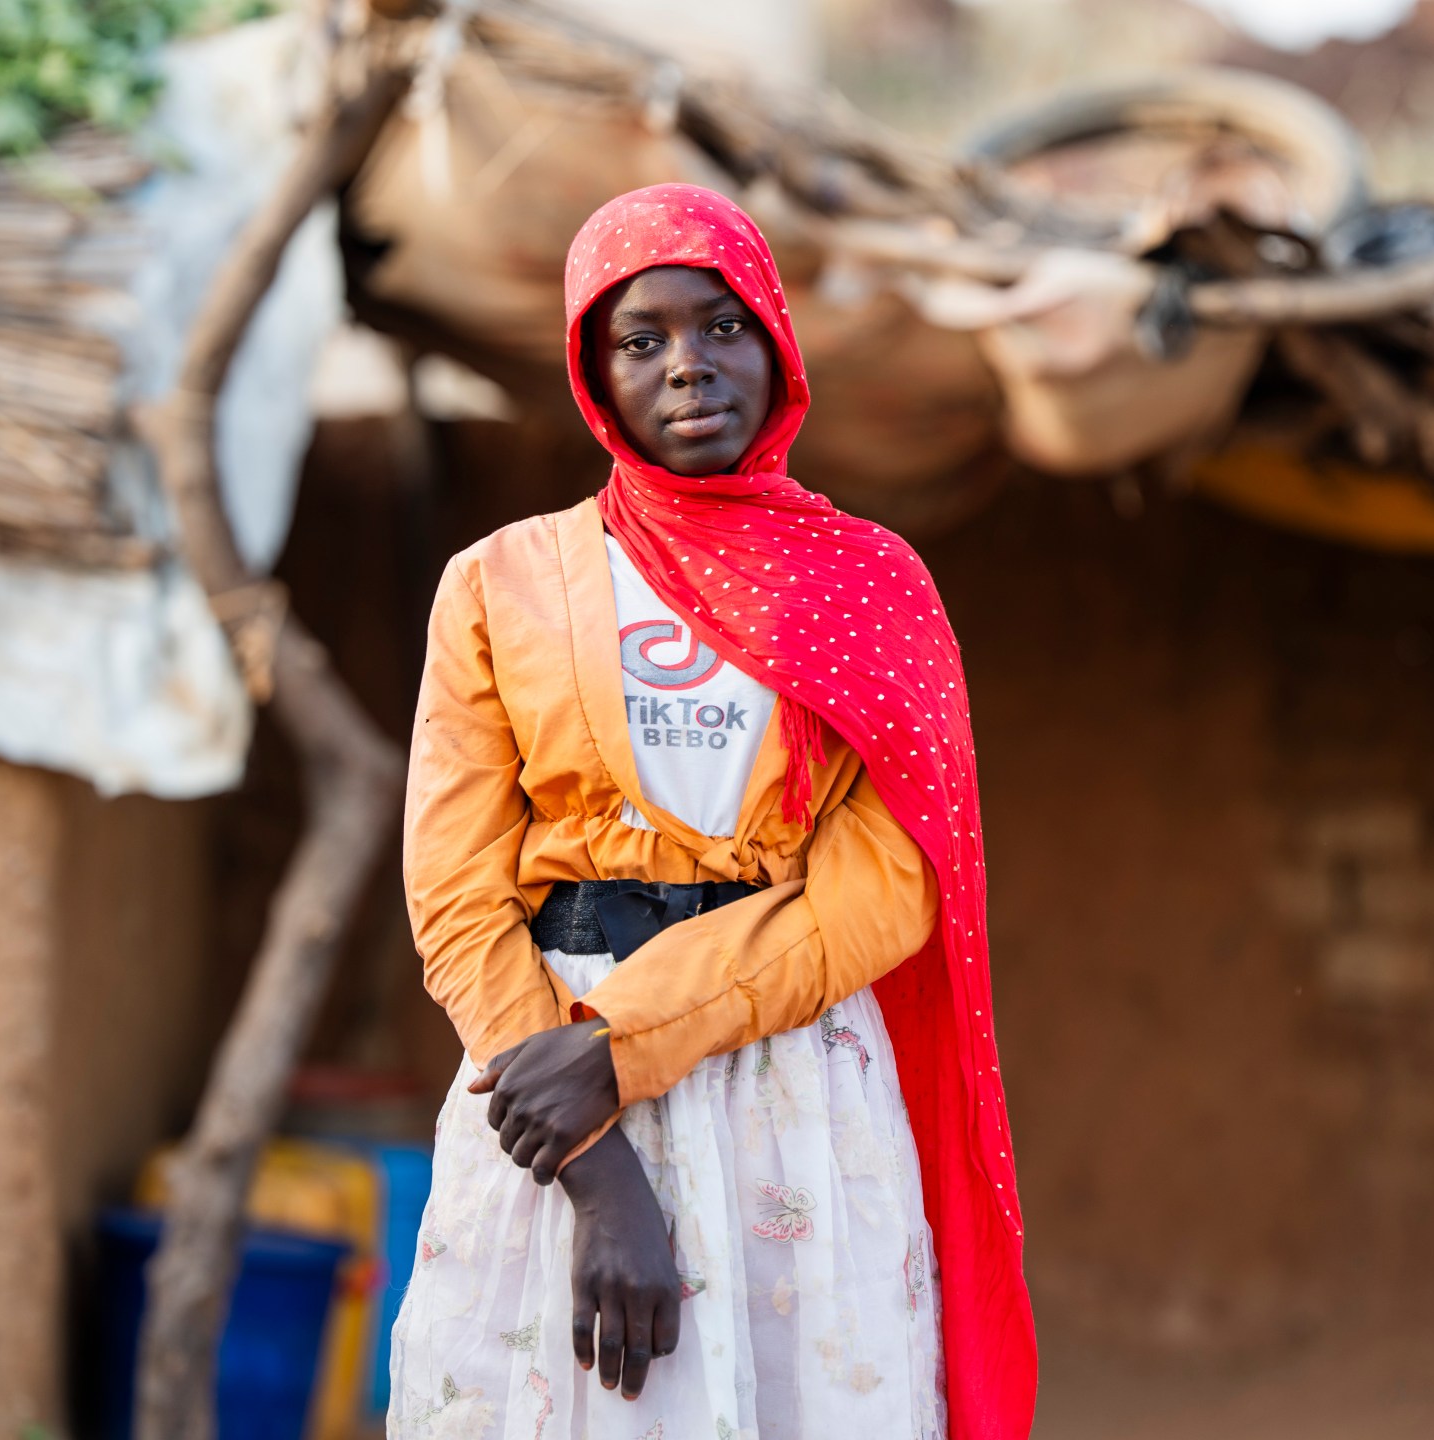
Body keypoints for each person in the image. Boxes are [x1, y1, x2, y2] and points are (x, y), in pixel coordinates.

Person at [390, 184, 1035, 1440]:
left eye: (722, 327)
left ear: (777, 345)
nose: (688, 366)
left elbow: (891, 882)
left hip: (788, 1100)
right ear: (595, 372)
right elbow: (457, 893)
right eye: (641, 340)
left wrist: (620, 1046)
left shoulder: (868, 586)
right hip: (544, 1100)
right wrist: (598, 1167)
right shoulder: (500, 584)